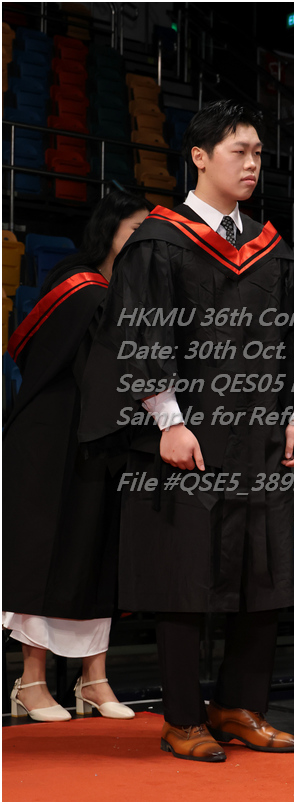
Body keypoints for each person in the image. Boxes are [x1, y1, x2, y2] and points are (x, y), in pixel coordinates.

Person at [78, 100, 294, 761]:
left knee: (262, 575)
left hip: (260, 436)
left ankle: (240, 707)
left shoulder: (270, 246)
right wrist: (168, 421)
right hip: (188, 437)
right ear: (198, 156)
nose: (252, 164)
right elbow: (138, 332)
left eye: (257, 153)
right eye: (238, 151)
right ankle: (183, 718)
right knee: (183, 576)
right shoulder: (159, 242)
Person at [3, 189, 151, 722]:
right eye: (135, 231)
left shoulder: (134, 296)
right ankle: (30, 682)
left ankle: (94, 680)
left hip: (104, 438)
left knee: (97, 551)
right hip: (52, 436)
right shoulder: (79, 287)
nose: (143, 242)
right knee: (45, 552)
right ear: (109, 232)